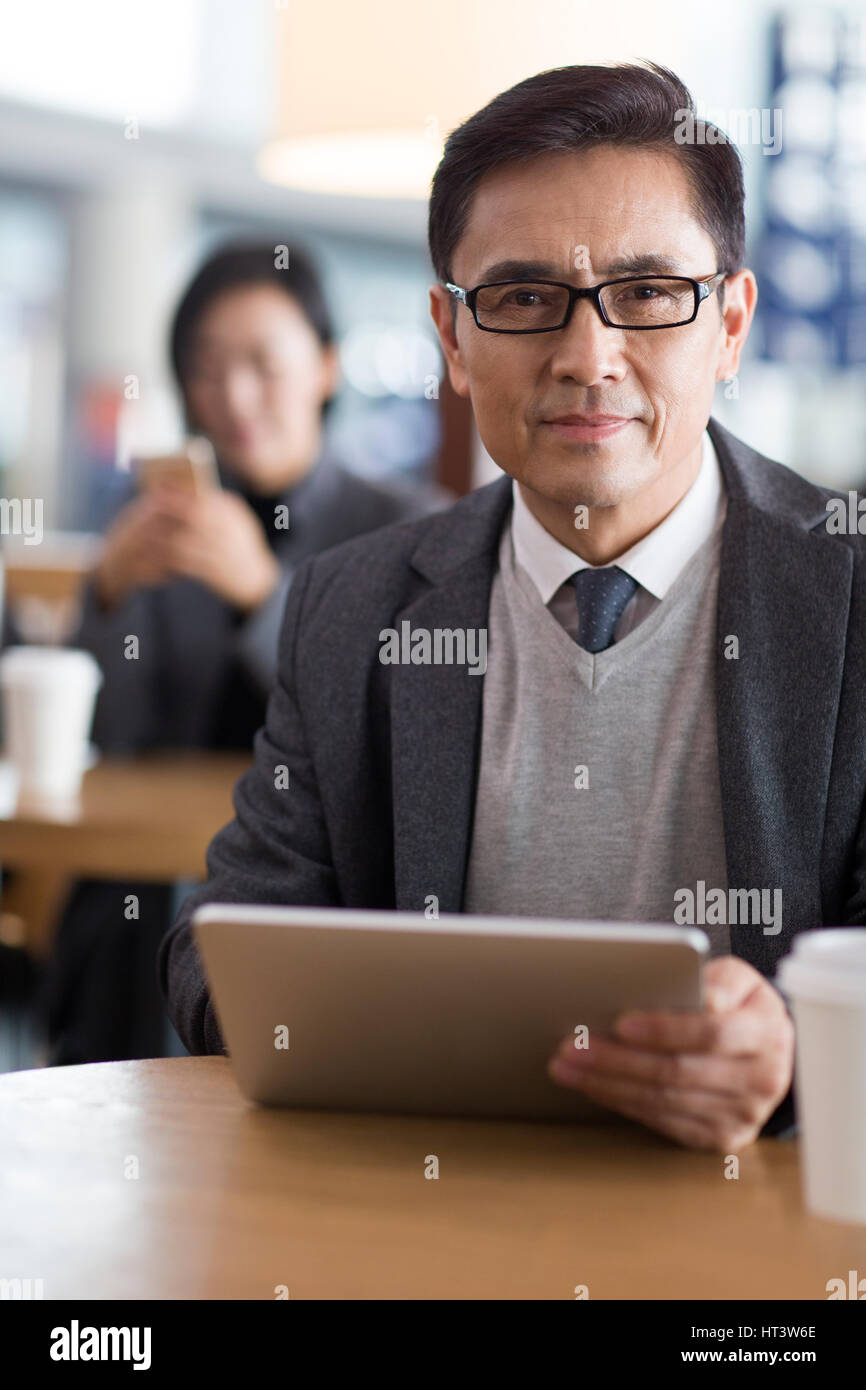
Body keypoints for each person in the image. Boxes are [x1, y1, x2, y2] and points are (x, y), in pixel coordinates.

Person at [159, 64, 866, 1152]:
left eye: (646, 294)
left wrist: (798, 1047)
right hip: (428, 1221)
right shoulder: (354, 605)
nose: (588, 358)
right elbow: (215, 947)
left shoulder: (849, 593)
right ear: (450, 338)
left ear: (728, 323)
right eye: (524, 299)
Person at [38, 242, 447, 1065]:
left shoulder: (404, 527)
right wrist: (108, 595)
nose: (233, 396)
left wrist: (266, 594)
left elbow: (390, 726)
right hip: (145, 877)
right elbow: (115, 736)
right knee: (124, 914)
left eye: (263, 364)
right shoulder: (160, 513)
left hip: (311, 879)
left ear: (327, 367)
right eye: (207, 369)